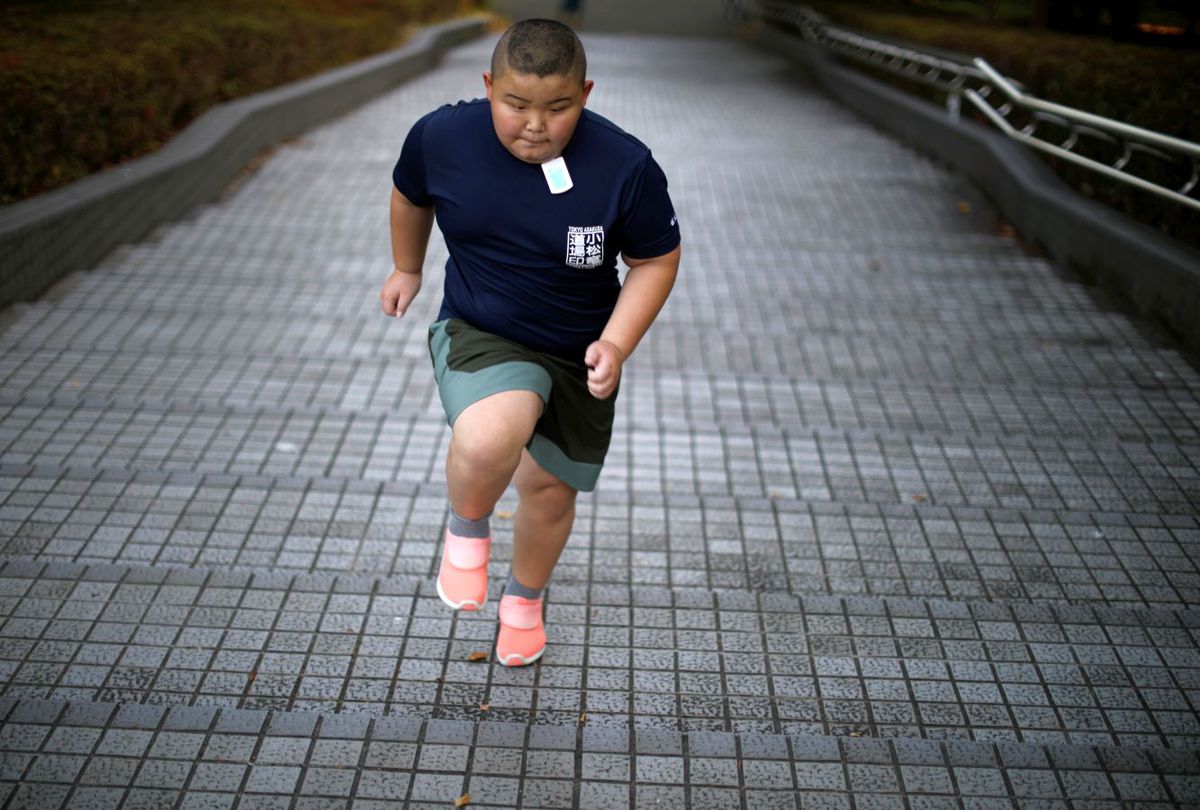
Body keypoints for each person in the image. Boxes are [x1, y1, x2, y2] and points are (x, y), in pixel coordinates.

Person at [380, 19, 681, 666]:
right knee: (492, 433)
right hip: (482, 329)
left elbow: (656, 259)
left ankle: (524, 602)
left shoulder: (625, 166)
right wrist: (408, 266)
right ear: (489, 87)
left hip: (580, 351)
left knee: (548, 488)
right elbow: (410, 195)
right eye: (515, 105)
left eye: (558, 106)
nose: (535, 125)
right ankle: (467, 528)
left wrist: (617, 344)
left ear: (586, 93)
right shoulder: (443, 136)